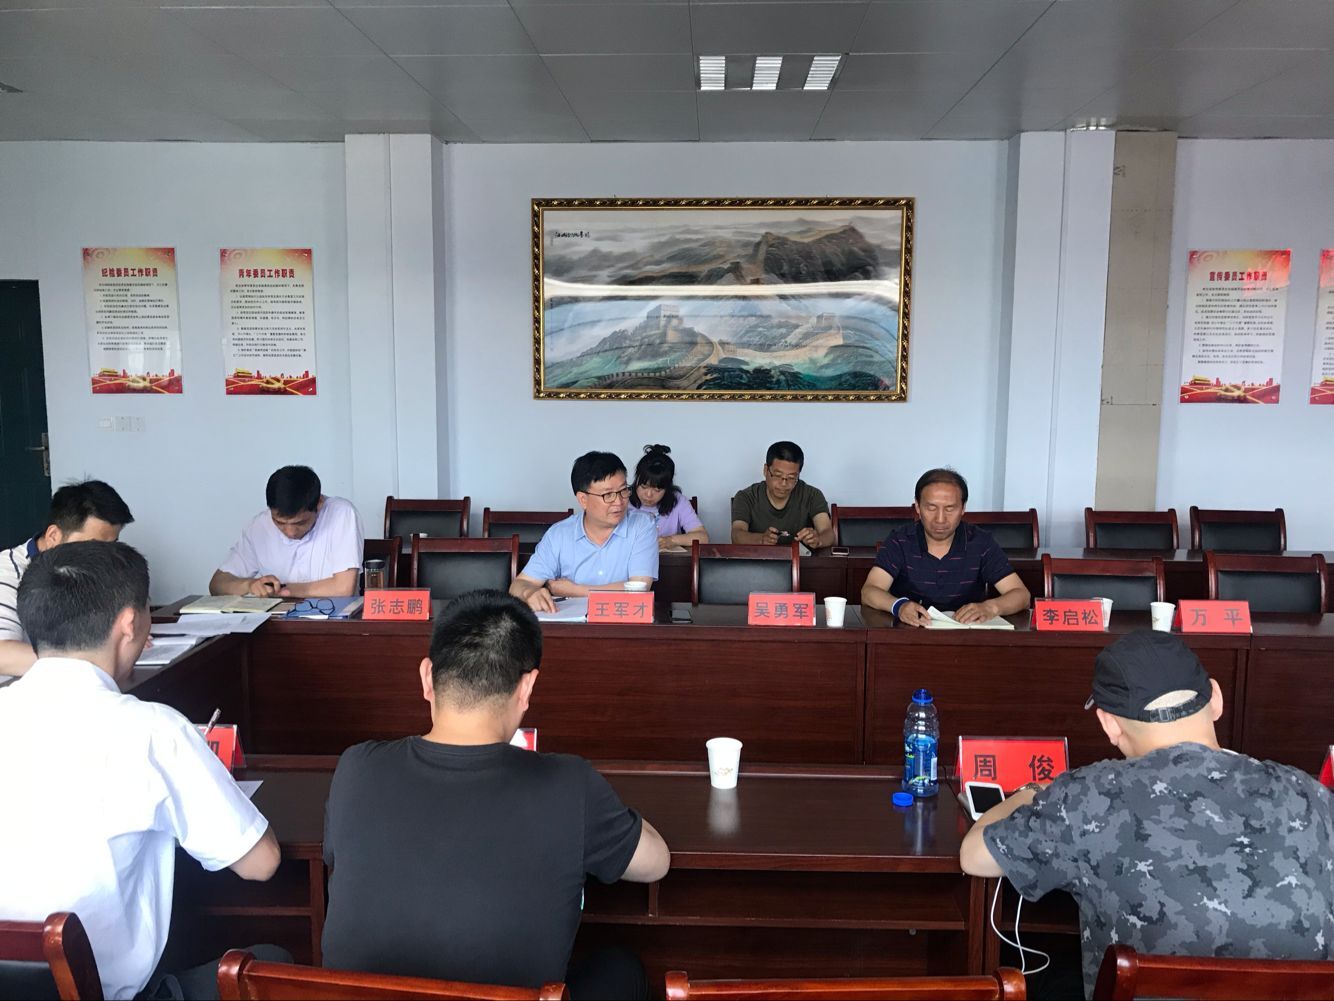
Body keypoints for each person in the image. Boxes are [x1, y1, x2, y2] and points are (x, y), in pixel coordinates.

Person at [321, 589, 670, 999]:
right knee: (621, 969)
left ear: (427, 677)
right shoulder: (570, 783)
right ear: (527, 687)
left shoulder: (356, 768)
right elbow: (655, 862)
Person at [961, 631, 1334, 999]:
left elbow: (974, 856)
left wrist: (1031, 792)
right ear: (1216, 699)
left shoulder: (1088, 796)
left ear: (1110, 724)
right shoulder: (1312, 796)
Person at [0, 541, 283, 1001]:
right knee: (273, 961)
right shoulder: (152, 730)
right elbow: (261, 863)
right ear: (130, 623)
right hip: (104, 994)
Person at [0, 479, 134, 680]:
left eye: (112, 545)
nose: (103, 556)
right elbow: (2, 655)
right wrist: (88, 659)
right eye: (92, 546)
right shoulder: (8, 573)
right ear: (53, 535)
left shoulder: (90, 569)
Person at [860, 468, 1029, 625]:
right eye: (931, 508)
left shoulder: (980, 542)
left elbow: (1021, 594)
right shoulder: (900, 540)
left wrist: (991, 607)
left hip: (966, 636)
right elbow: (869, 591)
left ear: (963, 508)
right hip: (911, 634)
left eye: (949, 509)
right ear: (918, 507)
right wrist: (899, 606)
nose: (940, 519)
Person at [510, 452, 658, 614]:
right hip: (572, 626)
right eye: (608, 495)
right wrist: (529, 593)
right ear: (583, 500)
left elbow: (639, 589)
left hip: (622, 624)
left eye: (623, 490)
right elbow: (519, 585)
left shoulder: (642, 525)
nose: (619, 502)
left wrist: (574, 590)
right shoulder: (559, 534)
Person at [209, 465, 363, 598]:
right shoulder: (260, 525)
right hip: (276, 620)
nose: (290, 532)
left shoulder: (341, 513)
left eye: (300, 523)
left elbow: (343, 588)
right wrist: (250, 585)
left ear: (319, 503)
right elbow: (217, 584)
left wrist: (283, 590)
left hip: (331, 618)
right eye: (279, 523)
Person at [730, 440, 833, 548]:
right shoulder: (746, 497)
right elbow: (737, 534)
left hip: (801, 558)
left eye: (791, 478)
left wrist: (818, 540)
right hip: (759, 559)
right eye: (778, 475)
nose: (784, 483)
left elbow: (828, 533)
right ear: (765, 470)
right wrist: (761, 539)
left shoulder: (812, 495)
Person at [629, 444, 708, 552]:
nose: (649, 494)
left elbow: (702, 537)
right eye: (643, 487)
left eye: (657, 490)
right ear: (636, 480)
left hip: (668, 561)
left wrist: (671, 540)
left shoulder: (678, 501)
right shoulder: (622, 499)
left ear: (667, 488)